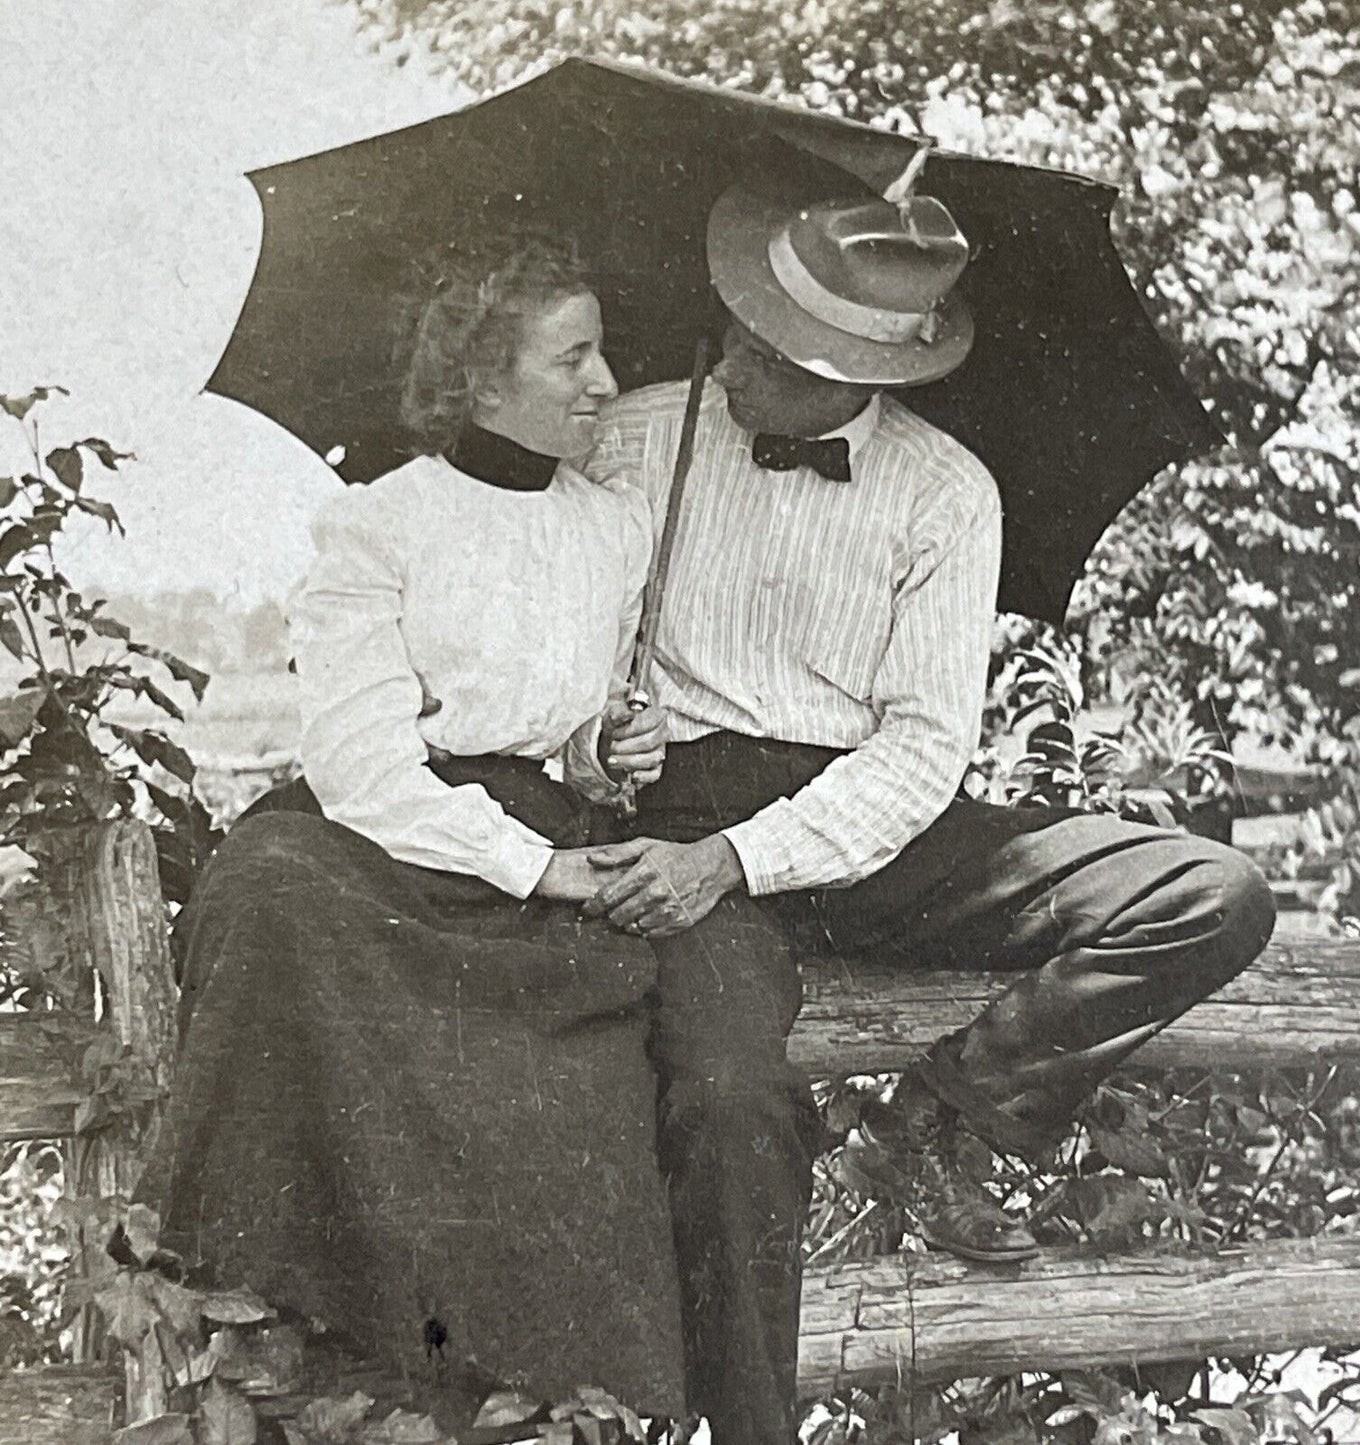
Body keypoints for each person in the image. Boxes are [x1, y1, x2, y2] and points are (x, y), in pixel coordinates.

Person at [584, 181, 1277, 1445]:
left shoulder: (946, 492)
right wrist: (600, 729)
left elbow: (918, 750)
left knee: (1211, 894)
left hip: (865, 825)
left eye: (764, 349)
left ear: (851, 369)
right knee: (731, 1102)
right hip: (681, 812)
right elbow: (541, 642)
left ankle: (937, 1119)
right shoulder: (635, 438)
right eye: (733, 323)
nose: (727, 353)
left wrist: (742, 857)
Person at [135, 236, 687, 1420]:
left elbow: (556, 727)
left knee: (593, 1010)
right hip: (391, 836)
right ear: (483, 380)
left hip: (540, 834)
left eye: (604, 351)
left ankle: (526, 1385)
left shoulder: (614, 528)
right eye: (573, 356)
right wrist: (538, 868)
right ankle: (295, 1325)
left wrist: (605, 748)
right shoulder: (377, 525)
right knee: (271, 883)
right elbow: (358, 763)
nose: (604, 383)